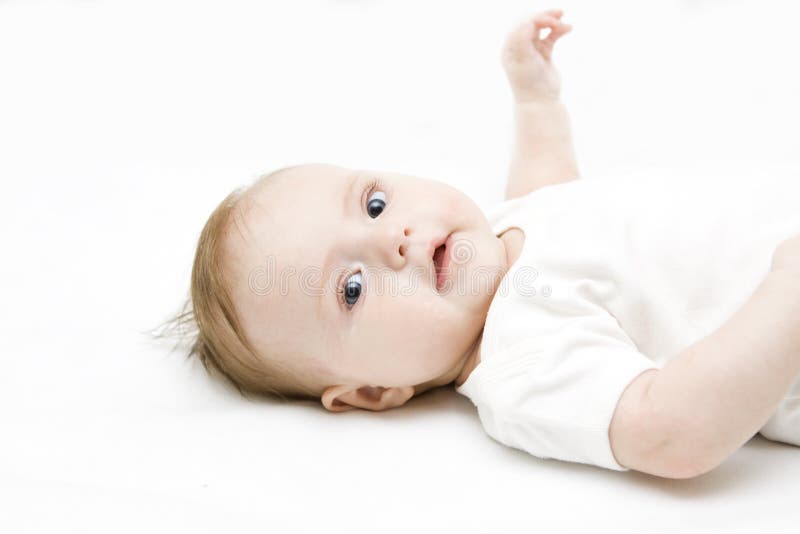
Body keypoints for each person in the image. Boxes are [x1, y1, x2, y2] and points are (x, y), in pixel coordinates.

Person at [161, 9, 800, 478]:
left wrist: (535, 100)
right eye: (351, 289)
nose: (396, 241)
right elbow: (669, 432)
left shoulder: (502, 229)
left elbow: (552, 195)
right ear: (373, 393)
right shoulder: (522, 364)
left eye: (374, 204)